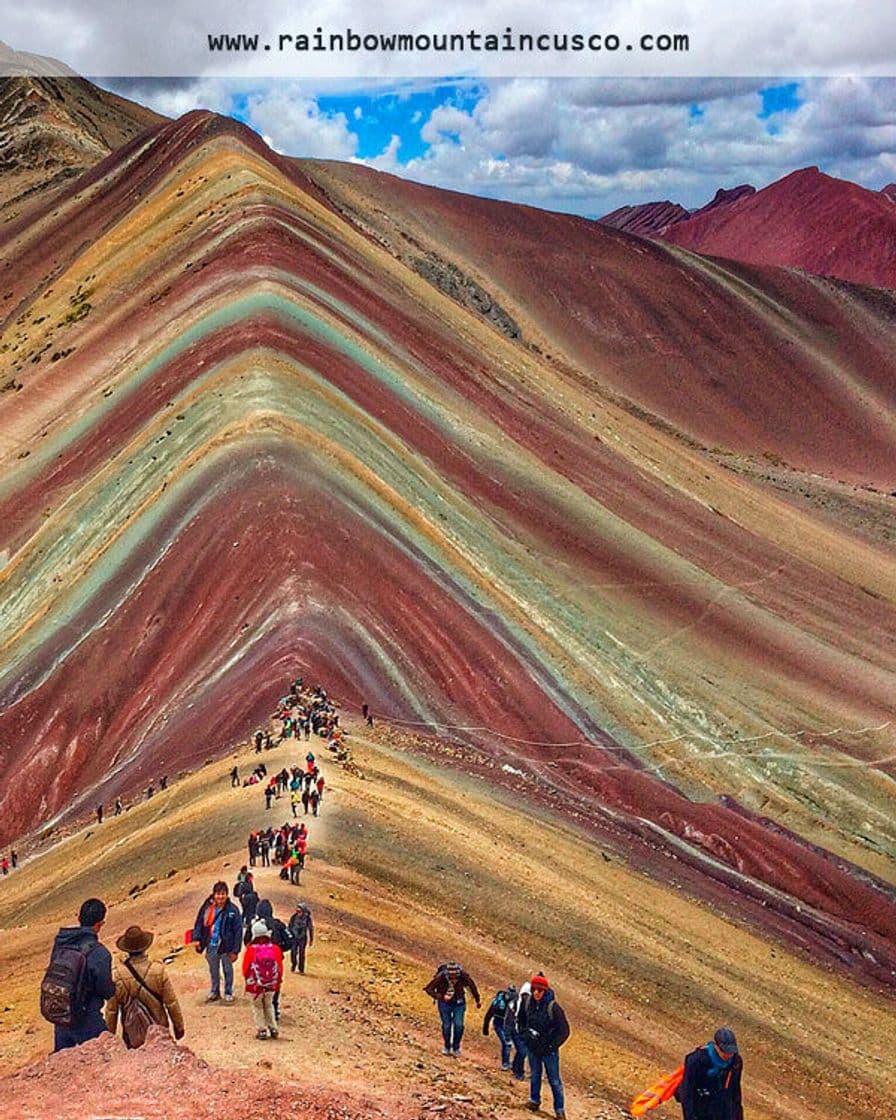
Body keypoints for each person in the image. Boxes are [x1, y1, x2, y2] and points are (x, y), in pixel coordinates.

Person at [45, 898, 115, 1051]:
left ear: (79, 919)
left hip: (61, 1015)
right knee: (105, 1056)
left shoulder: (61, 943)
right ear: (99, 924)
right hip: (87, 1018)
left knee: (62, 1062)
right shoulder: (100, 953)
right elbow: (105, 990)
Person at [104, 925, 185, 1045]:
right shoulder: (158, 970)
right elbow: (171, 1003)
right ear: (145, 947)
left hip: (132, 1033)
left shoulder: (117, 975)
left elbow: (112, 1010)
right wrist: (179, 1027)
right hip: (159, 1027)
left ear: (126, 949)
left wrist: (110, 1035)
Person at [518, 973, 569, 1119]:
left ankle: (559, 1110)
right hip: (533, 1047)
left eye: (539, 990)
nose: (536, 993)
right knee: (535, 1074)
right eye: (534, 989)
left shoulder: (553, 1008)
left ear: (545, 991)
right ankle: (534, 1101)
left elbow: (564, 1031)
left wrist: (551, 1046)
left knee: (554, 1080)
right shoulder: (527, 1003)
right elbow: (521, 1020)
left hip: (549, 1051)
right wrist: (525, 1036)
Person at [191, 881, 242, 1003]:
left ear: (227, 894)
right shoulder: (207, 908)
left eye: (223, 894)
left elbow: (238, 931)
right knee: (213, 970)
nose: (220, 897)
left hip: (226, 946)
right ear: (214, 894)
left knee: (227, 970)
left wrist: (236, 950)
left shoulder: (233, 910)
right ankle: (215, 991)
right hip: (211, 944)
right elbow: (199, 923)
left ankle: (228, 992)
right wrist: (197, 938)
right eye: (218, 894)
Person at [677, 1027, 744, 1120]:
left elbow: (735, 1091)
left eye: (731, 1052)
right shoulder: (696, 1060)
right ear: (716, 1046)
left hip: (723, 1107)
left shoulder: (736, 1062)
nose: (728, 1055)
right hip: (701, 1105)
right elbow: (687, 1092)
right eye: (724, 1051)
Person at [423, 961, 481, 1056]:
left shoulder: (463, 976)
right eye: (451, 977)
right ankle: (447, 1046)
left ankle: (456, 1047)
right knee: (447, 1025)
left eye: (455, 977)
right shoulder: (441, 977)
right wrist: (441, 997)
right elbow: (428, 989)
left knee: (459, 1025)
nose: (453, 979)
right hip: (444, 1003)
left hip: (459, 1002)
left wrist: (477, 1000)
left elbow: (472, 987)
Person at [242, 919, 283, 1040]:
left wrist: (248, 980)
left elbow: (245, 968)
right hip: (271, 984)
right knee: (269, 1005)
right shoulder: (275, 948)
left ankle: (262, 1029)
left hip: (256, 985)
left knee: (258, 1007)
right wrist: (278, 981)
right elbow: (279, 967)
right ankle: (273, 1028)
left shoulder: (251, 949)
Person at [483, 984, 516, 1070]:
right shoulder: (499, 1001)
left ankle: (510, 1063)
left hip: (509, 1025)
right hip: (499, 1024)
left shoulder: (515, 1002)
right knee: (505, 1042)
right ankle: (505, 1063)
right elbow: (490, 1012)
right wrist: (485, 1027)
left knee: (510, 1044)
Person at [504, 981, 530, 1080]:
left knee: (523, 1052)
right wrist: (507, 1034)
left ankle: (516, 1067)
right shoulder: (514, 1003)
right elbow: (508, 1018)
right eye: (524, 995)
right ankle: (518, 1071)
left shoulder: (531, 1005)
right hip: (515, 1030)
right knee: (522, 1051)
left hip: (524, 1031)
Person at [287, 901, 314, 973]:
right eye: (297, 911)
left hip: (302, 938)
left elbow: (310, 928)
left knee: (301, 953)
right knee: (293, 952)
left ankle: (301, 968)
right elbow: (289, 926)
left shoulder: (307, 919)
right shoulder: (293, 917)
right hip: (294, 937)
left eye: (299, 911)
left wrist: (311, 939)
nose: (298, 913)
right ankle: (294, 964)